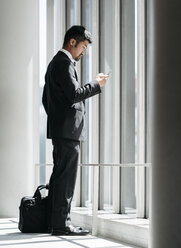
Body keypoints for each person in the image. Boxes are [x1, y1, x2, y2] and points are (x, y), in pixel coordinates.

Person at [42, 25, 109, 235]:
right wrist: (97, 84)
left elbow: (46, 99)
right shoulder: (63, 63)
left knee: (59, 176)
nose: (84, 52)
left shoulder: (55, 63)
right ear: (72, 42)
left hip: (62, 130)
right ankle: (62, 225)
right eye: (83, 46)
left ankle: (53, 222)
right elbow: (74, 94)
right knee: (66, 179)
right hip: (67, 132)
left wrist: (58, 119)